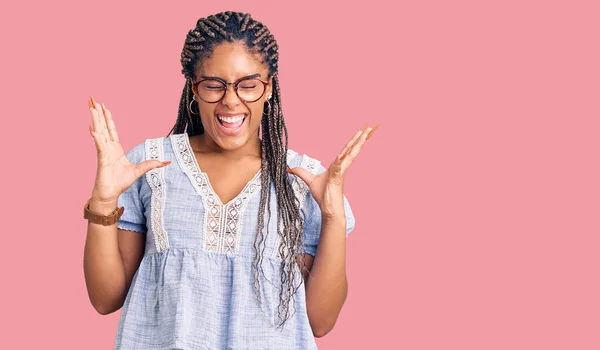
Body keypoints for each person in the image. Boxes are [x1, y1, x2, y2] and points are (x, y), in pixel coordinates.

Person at [83, 11, 378, 350]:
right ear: (194, 87)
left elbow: (321, 322)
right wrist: (103, 203)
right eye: (213, 85)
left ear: (269, 88)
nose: (231, 100)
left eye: (248, 85)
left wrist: (333, 217)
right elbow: (105, 300)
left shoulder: (302, 181)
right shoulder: (150, 166)